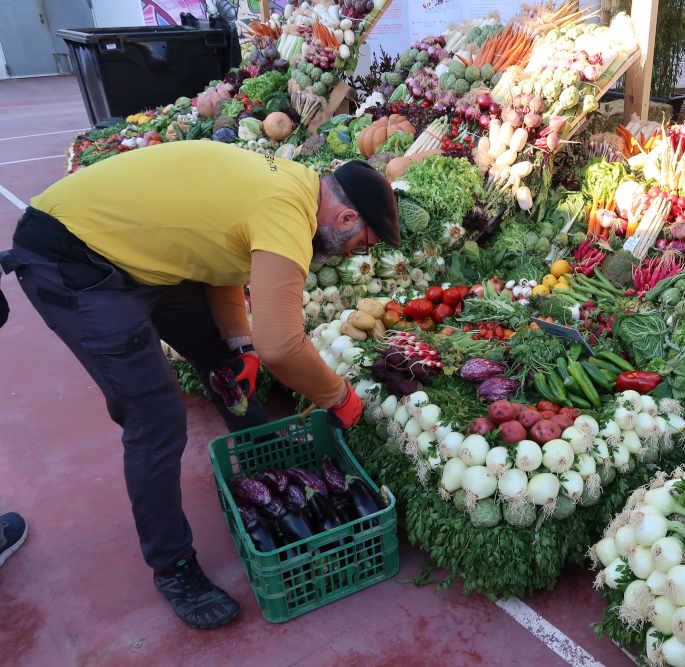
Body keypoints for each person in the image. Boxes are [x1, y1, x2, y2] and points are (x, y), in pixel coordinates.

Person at [0, 141, 399, 629]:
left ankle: (266, 463)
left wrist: (241, 347)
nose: (358, 252)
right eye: (365, 241)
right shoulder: (286, 212)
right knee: (155, 415)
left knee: (224, 363)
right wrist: (339, 397)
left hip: (131, 253)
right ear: (345, 218)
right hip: (74, 258)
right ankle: (173, 566)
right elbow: (284, 346)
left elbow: (222, 262)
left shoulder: (291, 185)